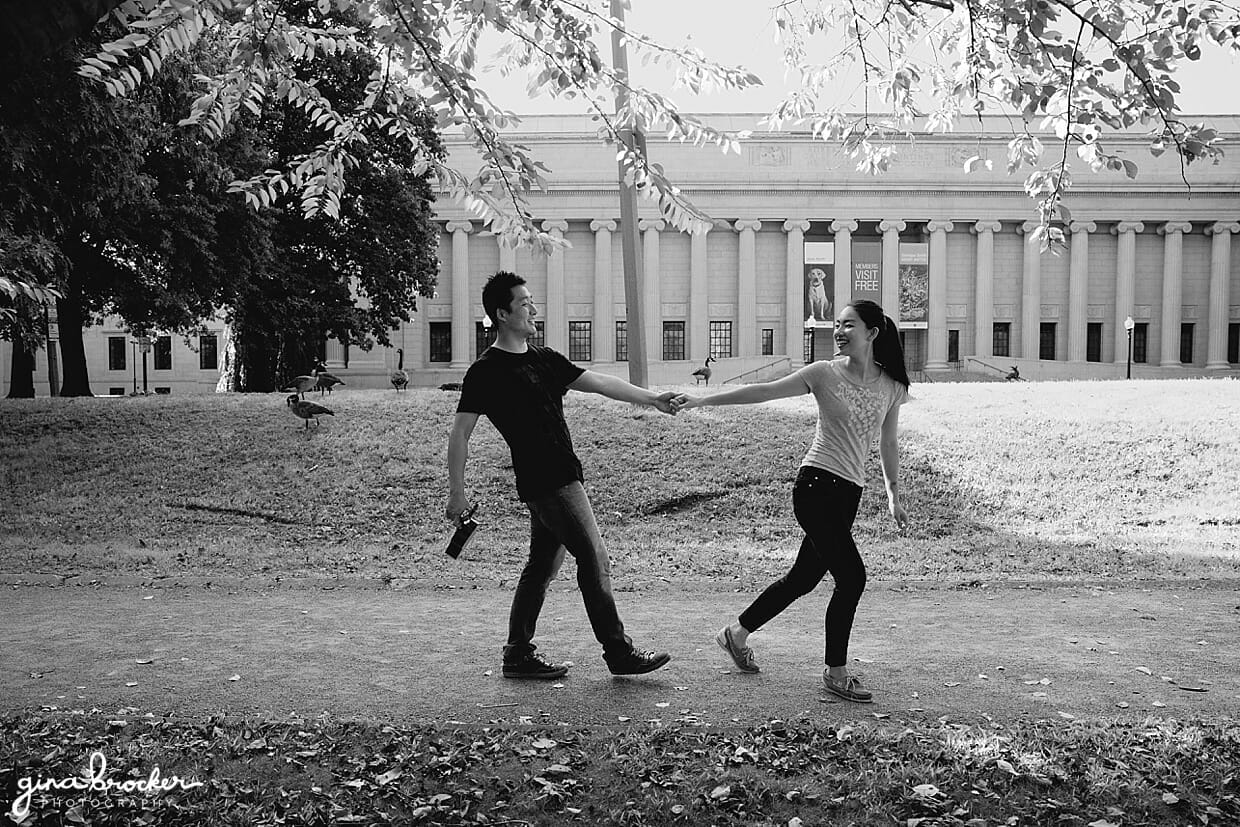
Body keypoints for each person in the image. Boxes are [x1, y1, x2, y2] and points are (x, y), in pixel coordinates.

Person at [675, 299, 910, 703]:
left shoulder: (892, 387)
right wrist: (701, 401)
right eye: (837, 324)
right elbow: (764, 391)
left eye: (849, 325)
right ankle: (836, 671)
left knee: (803, 578)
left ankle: (736, 634)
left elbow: (888, 442)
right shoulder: (823, 373)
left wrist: (893, 494)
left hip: (848, 494)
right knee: (852, 577)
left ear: (872, 332)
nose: (839, 331)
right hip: (815, 486)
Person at [446, 271, 677, 679]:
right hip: (550, 483)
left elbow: (599, 382)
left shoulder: (544, 359)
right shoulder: (486, 371)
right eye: (524, 304)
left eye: (532, 301)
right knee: (594, 557)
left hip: (560, 477)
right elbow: (460, 433)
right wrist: (456, 493)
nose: (533, 309)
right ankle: (618, 651)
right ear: (502, 314)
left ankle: (517, 655)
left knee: (541, 567)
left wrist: (652, 398)